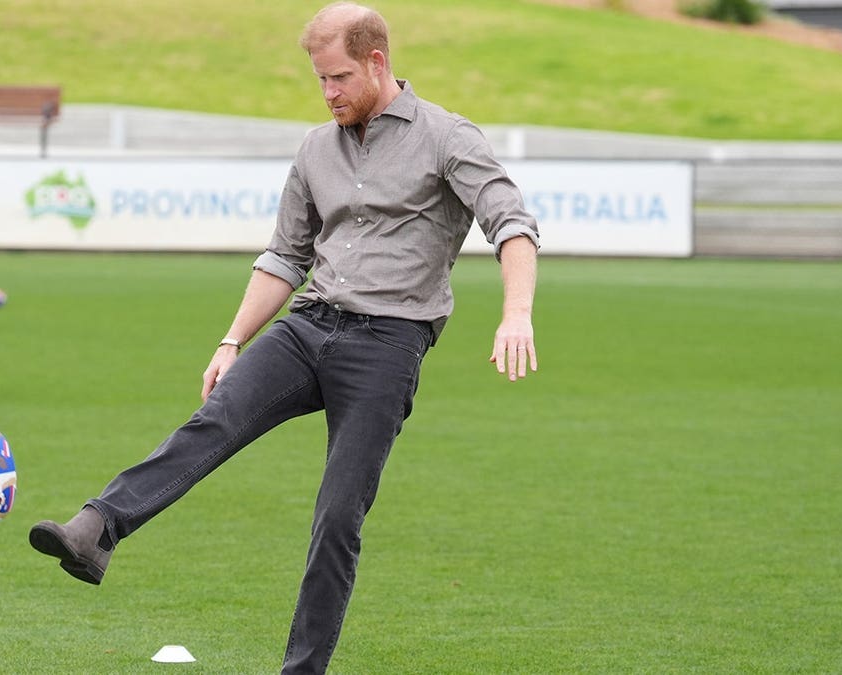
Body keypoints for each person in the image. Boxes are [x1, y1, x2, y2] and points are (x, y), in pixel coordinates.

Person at [28, 2, 540, 672]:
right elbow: (285, 257)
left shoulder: (447, 137)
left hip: (388, 345)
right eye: (319, 80)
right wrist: (231, 339)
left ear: (377, 62)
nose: (327, 93)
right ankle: (95, 530)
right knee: (211, 422)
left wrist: (517, 311)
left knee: (337, 518)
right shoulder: (314, 148)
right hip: (309, 325)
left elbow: (512, 224)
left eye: (338, 78)